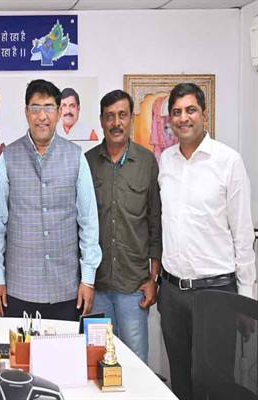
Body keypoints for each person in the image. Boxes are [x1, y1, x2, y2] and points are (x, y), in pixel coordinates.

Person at [157, 83, 256, 400]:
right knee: (181, 381)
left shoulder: (228, 161)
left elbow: (243, 235)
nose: (183, 118)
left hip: (216, 293)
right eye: (176, 112)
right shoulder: (166, 161)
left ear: (204, 114)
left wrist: (246, 299)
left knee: (215, 383)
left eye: (190, 110)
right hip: (172, 292)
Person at [0, 79, 101, 321]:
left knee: (65, 347)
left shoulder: (76, 157)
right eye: (35, 108)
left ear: (59, 112)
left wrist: (88, 279)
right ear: (26, 112)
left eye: (49, 108)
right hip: (19, 288)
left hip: (67, 288)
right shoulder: (8, 157)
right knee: (19, 348)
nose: (42, 116)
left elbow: (88, 222)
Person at [85, 90, 161, 364]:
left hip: (134, 287)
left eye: (122, 115)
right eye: (110, 117)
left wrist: (153, 280)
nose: (116, 123)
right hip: (96, 286)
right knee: (97, 363)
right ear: (101, 120)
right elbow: (79, 224)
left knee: (135, 363)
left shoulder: (147, 162)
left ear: (131, 119)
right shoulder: (87, 162)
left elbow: (155, 222)